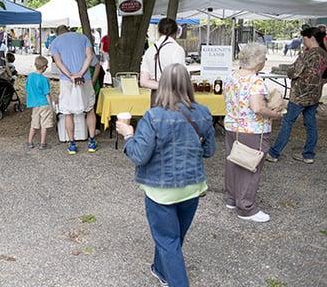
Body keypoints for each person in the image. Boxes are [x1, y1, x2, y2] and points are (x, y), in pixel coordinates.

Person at [116, 63, 216, 287]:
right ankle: (161, 270)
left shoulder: (153, 117)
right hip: (192, 185)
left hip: (160, 189)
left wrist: (128, 135)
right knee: (174, 237)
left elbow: (139, 156)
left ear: (161, 86)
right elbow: (209, 151)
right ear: (188, 86)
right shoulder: (204, 113)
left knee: (168, 240)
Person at [223, 43, 282, 222]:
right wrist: (275, 114)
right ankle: (246, 208)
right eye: (264, 58)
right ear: (257, 62)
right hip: (252, 130)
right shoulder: (255, 81)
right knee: (250, 166)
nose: (265, 61)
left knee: (234, 162)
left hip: (232, 126)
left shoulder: (232, 77)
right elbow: (257, 108)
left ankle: (232, 198)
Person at [268, 27, 327, 164]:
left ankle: (274, 153)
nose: (302, 41)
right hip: (314, 96)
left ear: (310, 38)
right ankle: (308, 155)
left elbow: (293, 73)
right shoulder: (324, 54)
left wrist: (291, 68)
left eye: (304, 39)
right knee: (311, 124)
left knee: (287, 123)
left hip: (299, 96)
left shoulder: (306, 55)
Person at [50, 25, 97, 154]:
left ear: (58, 33)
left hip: (66, 80)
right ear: (68, 30)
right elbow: (89, 56)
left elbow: (58, 62)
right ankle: (92, 141)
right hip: (85, 78)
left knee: (67, 112)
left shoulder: (55, 42)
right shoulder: (83, 38)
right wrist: (80, 73)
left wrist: (70, 75)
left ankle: (72, 144)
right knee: (90, 109)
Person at [140, 18, 186, 103]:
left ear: (158, 31)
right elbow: (180, 78)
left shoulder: (150, 51)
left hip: (156, 95)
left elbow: (143, 82)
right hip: (174, 96)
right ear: (176, 32)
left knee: (155, 116)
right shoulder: (177, 49)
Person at [25, 56, 54, 150]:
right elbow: (47, 94)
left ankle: (29, 142)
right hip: (44, 103)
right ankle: (42, 143)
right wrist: (51, 105)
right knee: (44, 125)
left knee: (34, 124)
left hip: (34, 104)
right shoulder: (44, 79)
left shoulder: (30, 76)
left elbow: (27, 89)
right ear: (44, 67)